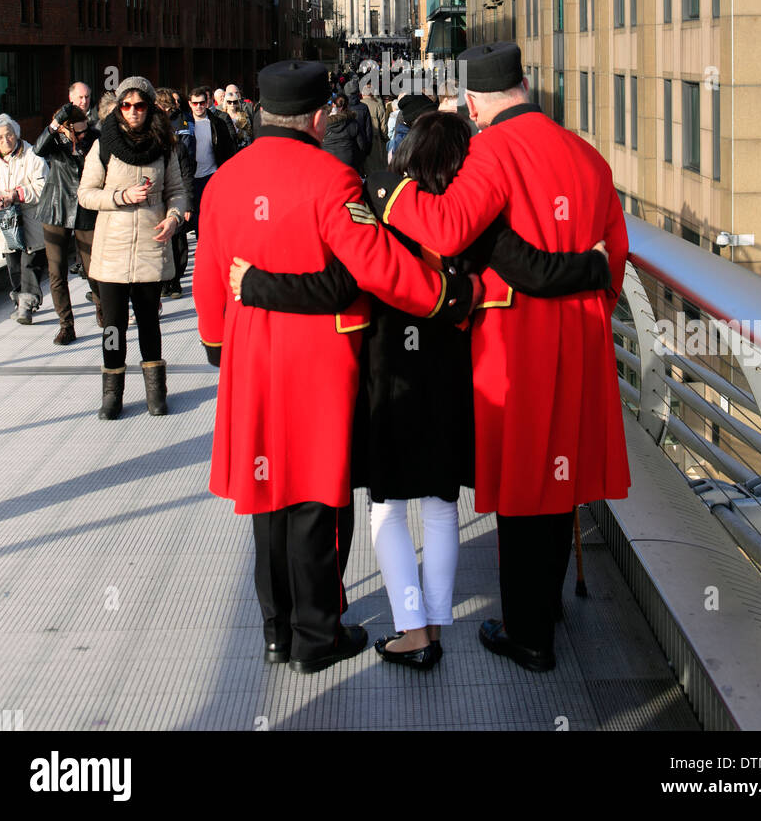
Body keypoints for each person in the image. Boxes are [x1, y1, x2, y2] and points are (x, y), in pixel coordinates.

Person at [232, 110, 612, 672]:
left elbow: (345, 280)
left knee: (387, 509)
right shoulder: (474, 220)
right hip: (452, 369)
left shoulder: (379, 203)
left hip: (389, 370)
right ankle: (435, 621)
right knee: (440, 505)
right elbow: (531, 270)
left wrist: (254, 284)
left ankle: (412, 628)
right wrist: (592, 267)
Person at [192, 60, 475, 676]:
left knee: (265, 491)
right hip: (320, 355)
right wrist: (442, 298)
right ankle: (317, 634)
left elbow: (208, 280)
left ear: (264, 112)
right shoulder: (334, 178)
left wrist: (218, 341)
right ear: (319, 116)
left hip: (249, 353)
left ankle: (276, 631)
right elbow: (376, 268)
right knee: (320, 493)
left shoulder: (223, 183)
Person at [366, 41, 630, 672]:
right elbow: (612, 256)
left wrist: (390, 194)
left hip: (518, 339)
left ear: (476, 103)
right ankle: (548, 605)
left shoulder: (490, 149)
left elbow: (449, 227)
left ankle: (527, 632)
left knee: (520, 484)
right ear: (525, 85)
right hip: (583, 336)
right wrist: (586, 278)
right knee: (560, 475)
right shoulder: (588, 155)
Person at [78, 77, 187, 420]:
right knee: (112, 327)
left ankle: (156, 390)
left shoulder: (164, 144)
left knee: (148, 323)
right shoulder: (104, 144)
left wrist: (173, 217)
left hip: (150, 248)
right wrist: (121, 197)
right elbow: (86, 194)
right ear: (119, 106)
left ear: (150, 107)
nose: (133, 112)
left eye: (140, 105)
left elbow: (177, 191)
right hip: (111, 249)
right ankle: (112, 393)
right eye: (126, 105)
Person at [34, 103, 102, 341]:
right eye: (78, 132)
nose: (82, 135)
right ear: (65, 129)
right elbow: (37, 150)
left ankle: (102, 308)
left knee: (94, 266)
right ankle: (66, 324)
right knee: (56, 271)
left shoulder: (94, 137)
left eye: (85, 131)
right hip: (57, 205)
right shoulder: (54, 140)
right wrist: (54, 125)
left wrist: (84, 143)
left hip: (85, 206)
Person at [0, 114, 48, 323]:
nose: (6, 140)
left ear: (16, 133)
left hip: (31, 219)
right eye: (0, 137)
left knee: (31, 262)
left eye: (9, 135)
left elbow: (43, 184)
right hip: (4, 222)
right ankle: (20, 301)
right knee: (13, 264)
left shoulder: (32, 154)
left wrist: (17, 194)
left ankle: (27, 305)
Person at [155, 89, 194, 299]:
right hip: (158, 199)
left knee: (178, 239)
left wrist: (187, 205)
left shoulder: (178, 148)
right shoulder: (153, 150)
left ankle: (176, 280)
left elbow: (187, 175)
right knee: (162, 242)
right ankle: (164, 282)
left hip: (177, 197)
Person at [184, 86, 236, 238]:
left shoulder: (217, 123)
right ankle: (202, 244)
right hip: (192, 176)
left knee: (211, 214)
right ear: (189, 104)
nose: (199, 106)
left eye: (201, 103)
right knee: (196, 215)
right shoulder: (185, 124)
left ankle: (207, 244)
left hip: (211, 174)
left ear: (207, 103)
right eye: (195, 103)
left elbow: (228, 149)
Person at [361, 84, 389, 171]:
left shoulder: (358, 106)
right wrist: (385, 137)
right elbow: (383, 125)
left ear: (362, 94)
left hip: (361, 140)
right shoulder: (378, 105)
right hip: (376, 141)